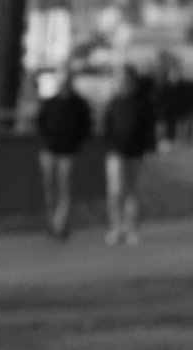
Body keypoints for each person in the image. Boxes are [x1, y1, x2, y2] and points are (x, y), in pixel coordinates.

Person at [33, 71, 93, 239]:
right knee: (49, 189)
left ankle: (61, 224)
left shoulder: (79, 104)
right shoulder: (50, 102)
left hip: (68, 152)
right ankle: (51, 222)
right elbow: (40, 122)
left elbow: (86, 126)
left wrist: (77, 142)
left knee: (65, 188)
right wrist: (46, 139)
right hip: (49, 150)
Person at [99, 66, 155, 245]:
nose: (123, 84)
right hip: (115, 153)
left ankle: (131, 229)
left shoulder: (142, 104)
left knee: (132, 192)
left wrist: (148, 147)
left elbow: (148, 129)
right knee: (115, 191)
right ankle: (116, 228)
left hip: (135, 153)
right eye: (120, 80)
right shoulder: (112, 103)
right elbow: (105, 128)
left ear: (133, 82)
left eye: (126, 80)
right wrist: (109, 146)